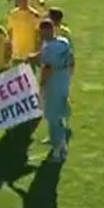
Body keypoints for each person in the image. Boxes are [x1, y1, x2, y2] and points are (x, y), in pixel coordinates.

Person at [35, 19, 73, 162]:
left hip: (53, 82)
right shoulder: (63, 42)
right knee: (60, 112)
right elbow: (71, 59)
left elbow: (47, 68)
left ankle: (58, 149)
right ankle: (59, 141)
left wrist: (42, 85)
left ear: (46, 31)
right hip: (63, 78)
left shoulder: (49, 48)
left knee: (52, 116)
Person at [7, 0, 43, 64]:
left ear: (28, 1)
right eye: (20, 1)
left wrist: (38, 49)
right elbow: (10, 31)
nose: (23, 4)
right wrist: (9, 48)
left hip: (30, 53)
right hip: (16, 53)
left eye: (24, 1)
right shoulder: (12, 15)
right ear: (17, 2)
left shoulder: (34, 15)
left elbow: (39, 33)